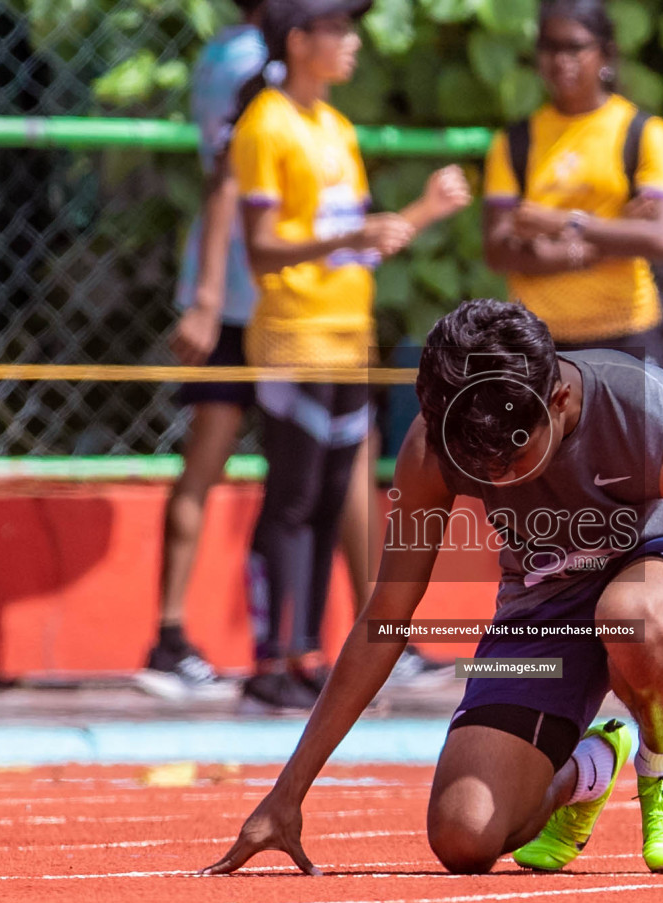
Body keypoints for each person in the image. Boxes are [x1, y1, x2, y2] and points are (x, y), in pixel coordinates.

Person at [204, 298, 663, 878]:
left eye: (513, 456)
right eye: (479, 465)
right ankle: (593, 765)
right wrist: (286, 793)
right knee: (463, 836)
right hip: (543, 604)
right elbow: (385, 618)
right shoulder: (434, 448)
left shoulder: (658, 423)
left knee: (634, 618)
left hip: (653, 580)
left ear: (558, 399)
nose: (499, 480)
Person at [231, 0, 471, 710]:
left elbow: (362, 236)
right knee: (294, 498)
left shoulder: (335, 128)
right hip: (292, 338)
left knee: (335, 495)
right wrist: (343, 242)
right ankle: (274, 659)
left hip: (346, 336)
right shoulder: (265, 126)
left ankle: (309, 654)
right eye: (338, 30)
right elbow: (264, 247)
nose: (352, 43)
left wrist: (425, 209)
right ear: (299, 42)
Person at [138, 0, 268, 701]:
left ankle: (169, 633)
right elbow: (230, 178)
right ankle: (381, 639)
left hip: (247, 291)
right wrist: (212, 298)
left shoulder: (220, 53)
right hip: (258, 293)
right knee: (330, 464)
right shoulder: (262, 66)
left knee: (326, 463)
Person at [483, 0, 663, 370]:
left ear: (606, 53)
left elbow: (662, 239)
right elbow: (498, 251)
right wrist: (609, 241)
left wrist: (560, 225)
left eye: (575, 47)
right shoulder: (513, 142)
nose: (561, 60)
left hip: (628, 334)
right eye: (549, 47)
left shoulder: (643, 134)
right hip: (539, 339)